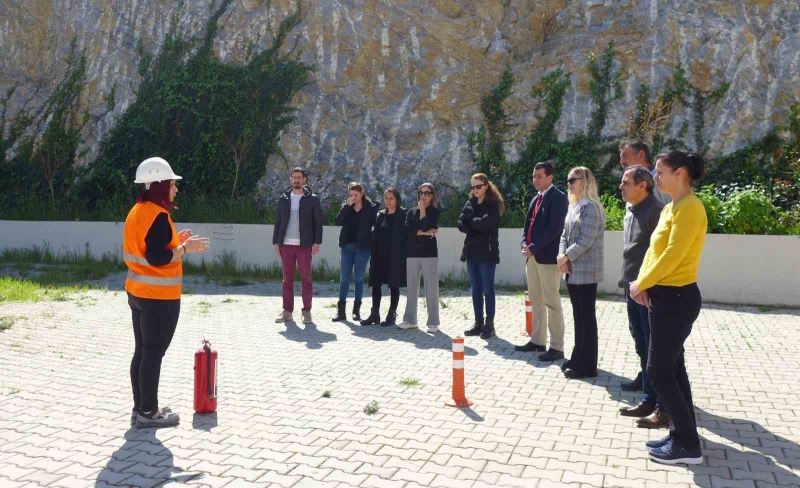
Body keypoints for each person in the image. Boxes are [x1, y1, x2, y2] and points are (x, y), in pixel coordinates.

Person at [630, 150, 708, 465]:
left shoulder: (691, 208)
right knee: (674, 369)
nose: (656, 177)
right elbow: (653, 251)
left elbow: (674, 255)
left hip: (677, 298)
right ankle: (682, 435)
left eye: (660, 172)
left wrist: (642, 283)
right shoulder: (670, 208)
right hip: (663, 295)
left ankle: (688, 446)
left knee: (659, 372)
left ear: (679, 173)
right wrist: (644, 282)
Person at [123, 157, 210, 428]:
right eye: (172, 184)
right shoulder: (158, 216)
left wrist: (177, 240)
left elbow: (151, 246)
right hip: (158, 298)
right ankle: (149, 412)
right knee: (152, 354)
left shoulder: (139, 210)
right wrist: (186, 248)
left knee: (143, 352)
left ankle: (141, 407)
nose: (176, 189)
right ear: (160, 184)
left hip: (137, 293)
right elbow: (160, 258)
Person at [617, 166, 670, 429]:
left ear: (643, 185)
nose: (621, 187)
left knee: (653, 347)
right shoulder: (631, 210)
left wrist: (647, 285)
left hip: (648, 291)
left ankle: (660, 403)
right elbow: (632, 251)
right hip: (631, 288)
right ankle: (650, 398)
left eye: (626, 182)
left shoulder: (656, 211)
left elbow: (659, 254)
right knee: (641, 343)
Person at [514, 161, 569, 361]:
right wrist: (524, 244)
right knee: (536, 300)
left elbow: (555, 229)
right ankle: (537, 341)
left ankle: (557, 347)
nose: (535, 180)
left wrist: (534, 247)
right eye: (534, 176)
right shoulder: (535, 199)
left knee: (551, 302)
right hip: (532, 258)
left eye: (539, 176)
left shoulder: (558, 198)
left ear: (550, 177)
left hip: (548, 259)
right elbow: (526, 227)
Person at [557, 167, 605, 379]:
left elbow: (585, 240)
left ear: (585, 180)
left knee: (586, 317)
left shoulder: (591, 208)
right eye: (567, 180)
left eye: (573, 180)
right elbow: (564, 235)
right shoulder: (574, 206)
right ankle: (578, 358)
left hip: (586, 271)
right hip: (572, 270)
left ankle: (587, 366)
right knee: (578, 316)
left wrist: (565, 257)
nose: (569, 183)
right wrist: (561, 256)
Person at [272, 167, 323, 324]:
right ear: (290, 179)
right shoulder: (284, 198)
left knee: (306, 279)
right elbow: (278, 222)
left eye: (299, 177)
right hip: (286, 245)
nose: (296, 180)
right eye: (294, 177)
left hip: (304, 245)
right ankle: (287, 312)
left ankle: (306, 312)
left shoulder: (312, 199)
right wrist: (276, 242)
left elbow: (318, 223)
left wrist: (317, 242)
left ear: (304, 180)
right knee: (287, 280)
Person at [459, 173, 504, 340]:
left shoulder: (493, 204)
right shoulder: (469, 202)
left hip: (487, 252)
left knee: (487, 290)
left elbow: (486, 224)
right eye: (472, 187)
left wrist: (471, 222)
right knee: (475, 289)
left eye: (478, 186)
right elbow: (460, 223)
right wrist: (475, 222)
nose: (475, 190)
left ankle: (489, 325)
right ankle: (478, 323)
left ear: (486, 186)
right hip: (471, 252)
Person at [361, 187, 407, 326]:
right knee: (376, 284)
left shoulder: (403, 214)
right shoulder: (380, 215)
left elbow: (406, 236)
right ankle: (374, 314)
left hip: (395, 256)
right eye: (386, 198)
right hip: (379, 255)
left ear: (397, 199)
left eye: (391, 198)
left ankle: (391, 315)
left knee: (394, 285)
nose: (388, 201)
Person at [333, 183, 378, 322]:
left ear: (362, 193)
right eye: (351, 195)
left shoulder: (370, 208)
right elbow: (338, 221)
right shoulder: (346, 206)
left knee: (359, 279)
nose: (353, 197)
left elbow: (377, 225)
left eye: (356, 195)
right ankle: (341, 312)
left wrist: (371, 242)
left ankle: (356, 311)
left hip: (363, 248)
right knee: (344, 279)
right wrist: (347, 206)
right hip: (347, 247)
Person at [399, 183, 440, 333]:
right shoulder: (410, 211)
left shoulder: (434, 212)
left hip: (429, 254)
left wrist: (422, 212)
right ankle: (410, 320)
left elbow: (424, 226)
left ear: (432, 195)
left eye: (427, 193)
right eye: (421, 192)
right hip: (412, 253)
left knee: (431, 289)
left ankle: (433, 323)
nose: (424, 195)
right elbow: (408, 232)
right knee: (411, 288)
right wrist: (425, 232)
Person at [620, 139, 670, 205]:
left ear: (641, 155)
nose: (621, 162)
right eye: (620, 158)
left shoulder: (659, 179)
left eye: (625, 156)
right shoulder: (630, 184)